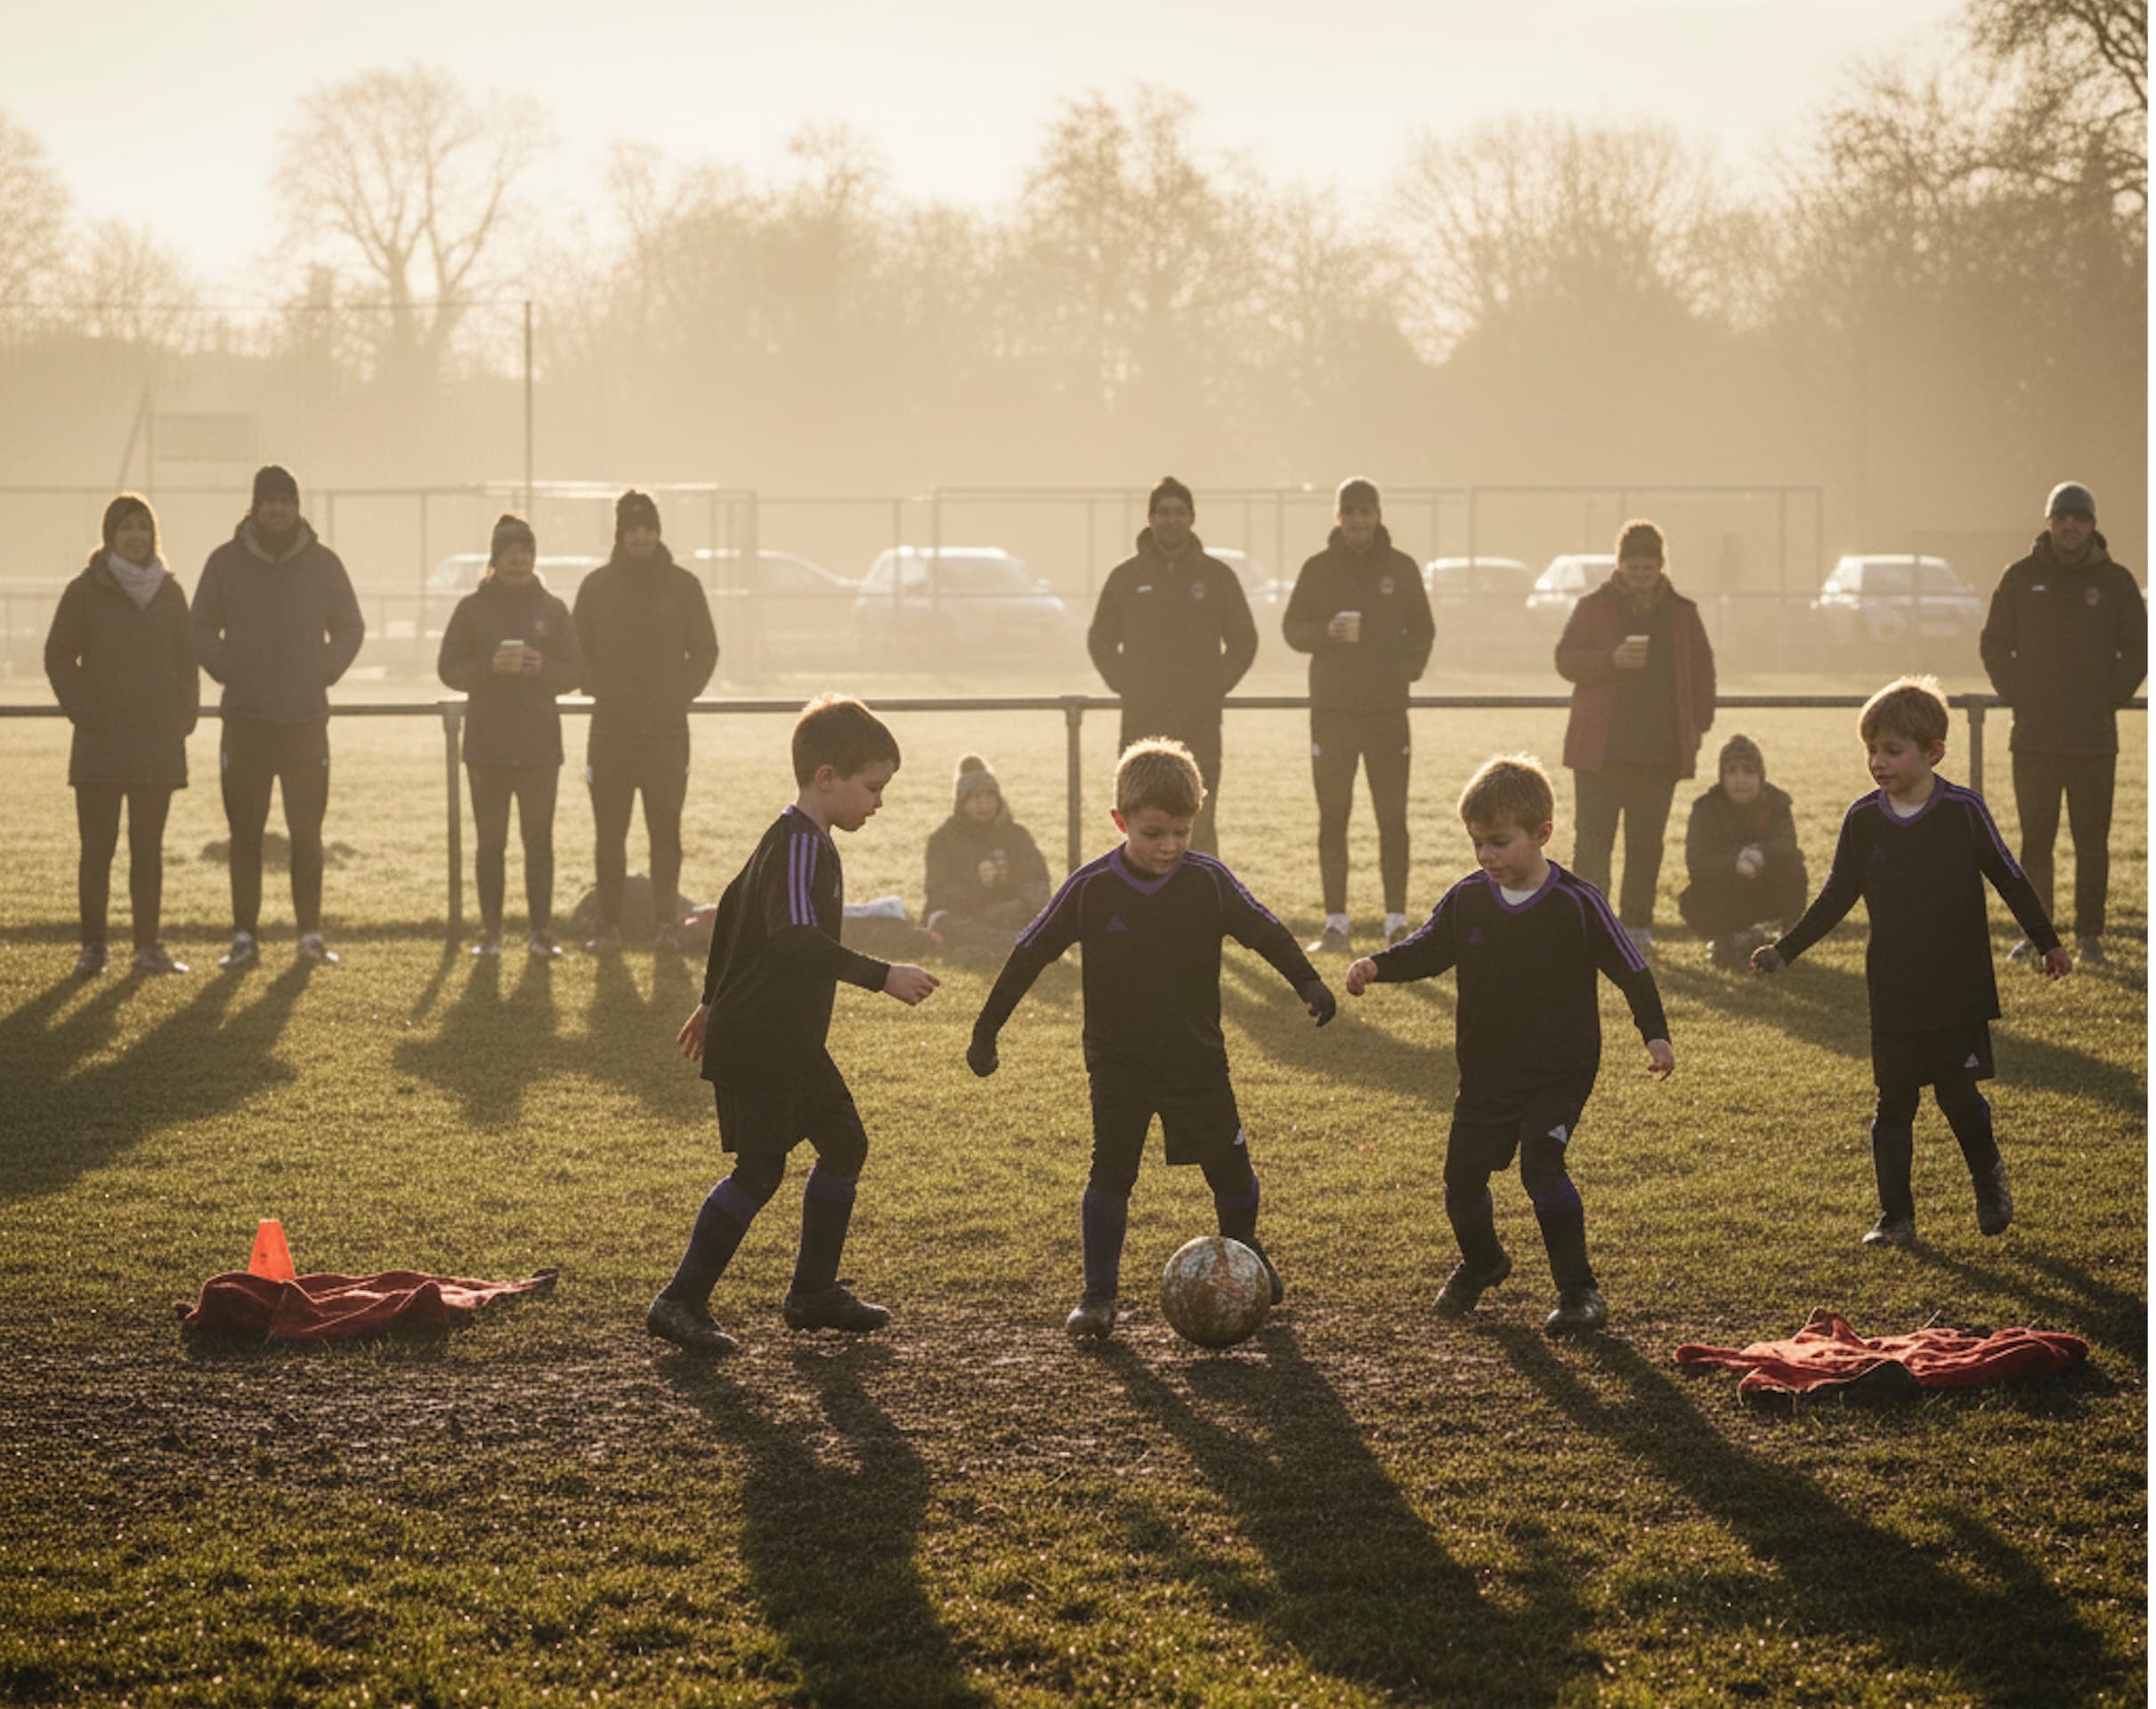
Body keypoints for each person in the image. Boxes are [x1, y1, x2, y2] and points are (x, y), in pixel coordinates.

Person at [966, 738, 1337, 1340]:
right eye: (1153, 832)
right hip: (1119, 1063)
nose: (1168, 846)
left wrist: (1309, 983)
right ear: (1121, 822)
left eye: (1181, 832)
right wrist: (987, 1031)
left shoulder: (1208, 882)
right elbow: (1030, 952)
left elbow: (1264, 930)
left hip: (1197, 1058)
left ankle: (1244, 1254)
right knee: (1111, 1171)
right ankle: (1098, 1296)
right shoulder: (1091, 888)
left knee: (1231, 1169)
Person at [1346, 755, 1674, 1336]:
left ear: (1542, 833)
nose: (1486, 857)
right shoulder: (1468, 899)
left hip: (1560, 1070)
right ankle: (1483, 1263)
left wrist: (1655, 1034)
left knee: (1542, 1169)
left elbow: (1631, 970)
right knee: (1462, 1177)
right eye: (1477, 843)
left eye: (1499, 842)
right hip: (1486, 1072)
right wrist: (1377, 965)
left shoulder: (1577, 902)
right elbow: (1428, 949)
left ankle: (1580, 1294)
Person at [651, 696, 938, 1354]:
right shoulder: (802, 845)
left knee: (845, 1144)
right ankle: (679, 1301)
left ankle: (812, 1292)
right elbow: (793, 939)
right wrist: (881, 975)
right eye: (873, 788)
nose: (879, 803)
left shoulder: (793, 838)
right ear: (828, 778)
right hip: (761, 1040)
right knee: (759, 1172)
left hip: (785, 1039)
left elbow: (730, 905)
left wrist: (708, 998)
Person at [1751, 676, 2070, 1246]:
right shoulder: (1863, 819)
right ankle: (1896, 1218)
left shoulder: (1963, 810)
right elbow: (1835, 896)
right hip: (1894, 988)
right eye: (1871, 749)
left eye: (1892, 750)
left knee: (1956, 1095)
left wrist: (2048, 942)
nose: (1878, 761)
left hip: (1959, 986)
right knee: (1894, 1102)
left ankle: (1988, 1179)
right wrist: (1785, 950)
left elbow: (2010, 878)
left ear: (1933, 752)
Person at [192, 464, 365, 968]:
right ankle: (244, 937)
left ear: (297, 505)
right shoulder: (224, 563)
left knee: (307, 833)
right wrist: (229, 670)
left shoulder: (324, 564)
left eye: (286, 500)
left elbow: (351, 627)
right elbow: (199, 627)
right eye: (269, 500)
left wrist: (322, 673)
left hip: (305, 723)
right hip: (245, 722)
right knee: (244, 833)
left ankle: (309, 935)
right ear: (254, 506)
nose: (278, 509)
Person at [1978, 480, 2147, 967]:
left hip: (2094, 740)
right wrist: (2020, 695)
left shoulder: (2115, 583)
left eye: (2081, 517)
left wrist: (2107, 699)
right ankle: (2037, 934)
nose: (2071, 525)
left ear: (2093, 526)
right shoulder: (2020, 578)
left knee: (2092, 841)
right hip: (2034, 737)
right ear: (2049, 523)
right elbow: (1994, 643)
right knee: (2036, 840)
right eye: (2062, 517)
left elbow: (2138, 649)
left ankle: (2090, 934)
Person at [44, 494, 199, 976]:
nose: (135, 535)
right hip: (101, 743)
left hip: (155, 741)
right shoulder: (85, 590)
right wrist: (86, 712)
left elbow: (187, 662)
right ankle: (94, 949)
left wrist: (184, 718)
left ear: (153, 535)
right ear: (109, 535)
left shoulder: (170, 593)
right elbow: (58, 656)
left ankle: (147, 948)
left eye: (142, 527)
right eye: (125, 527)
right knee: (98, 851)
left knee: (148, 851)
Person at [1283, 476, 1436, 955]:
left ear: (1378, 516)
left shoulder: (1402, 568)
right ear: (1338, 517)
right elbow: (1291, 629)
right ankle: (1336, 924)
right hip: (1332, 713)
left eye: (1366, 512)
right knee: (1334, 816)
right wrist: (1325, 632)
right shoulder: (1318, 568)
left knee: (1392, 817)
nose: (1358, 521)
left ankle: (1396, 921)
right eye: (1350, 512)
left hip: (1388, 712)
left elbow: (1424, 628)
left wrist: (1407, 670)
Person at [1554, 519, 1717, 951]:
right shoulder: (1594, 607)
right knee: (1593, 843)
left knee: (1646, 846)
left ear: (1661, 565)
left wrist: (1697, 729)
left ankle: (1637, 926)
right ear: (1619, 563)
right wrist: (1611, 660)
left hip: (1659, 753)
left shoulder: (1683, 613)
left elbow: (1704, 675)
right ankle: (1590, 925)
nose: (1641, 570)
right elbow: (1566, 660)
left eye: (1649, 563)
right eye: (1633, 562)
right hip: (1600, 751)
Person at [572, 490, 719, 952]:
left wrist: (678, 694)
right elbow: (577, 654)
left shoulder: (683, 586)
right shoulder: (596, 587)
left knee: (665, 833)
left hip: (665, 733)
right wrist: (602, 689)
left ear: (658, 533)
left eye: (649, 529)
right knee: (610, 835)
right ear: (621, 534)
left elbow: (706, 651)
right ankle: (607, 925)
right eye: (633, 530)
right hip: (611, 733)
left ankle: (665, 925)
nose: (641, 538)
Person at [436, 514, 583, 958]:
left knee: (539, 842)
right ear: (494, 559)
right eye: (509, 554)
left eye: (525, 553)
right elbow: (448, 668)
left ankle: (541, 933)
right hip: (487, 747)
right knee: (491, 843)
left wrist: (547, 671)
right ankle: (491, 933)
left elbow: (578, 669)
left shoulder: (553, 609)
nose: (517, 561)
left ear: (534, 558)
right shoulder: (472, 609)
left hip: (539, 747)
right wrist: (487, 668)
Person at [1086, 477, 1258, 855]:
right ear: (1149, 518)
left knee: (1199, 820)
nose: (1172, 520)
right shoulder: (1126, 577)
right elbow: (1099, 639)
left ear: (1192, 518)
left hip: (1200, 723)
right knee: (1140, 820)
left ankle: (1202, 910)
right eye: (1164, 512)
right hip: (1141, 723)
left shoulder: (1216, 577)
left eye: (1180, 512)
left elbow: (1245, 640)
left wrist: (1214, 686)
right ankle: (1142, 908)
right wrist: (1129, 684)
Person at [1677, 733, 1809, 968]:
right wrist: (1734, 863)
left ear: (1761, 775)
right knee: (1691, 898)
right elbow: (1697, 863)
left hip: (1766, 886)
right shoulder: (1705, 808)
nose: (1741, 779)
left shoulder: (1777, 803)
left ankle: (1783, 937)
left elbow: (1787, 845)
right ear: (1722, 776)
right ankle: (1729, 938)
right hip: (1726, 891)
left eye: (1749, 771)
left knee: (1795, 869)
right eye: (1732, 771)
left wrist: (1761, 852)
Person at [923, 754, 1052, 965]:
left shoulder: (1017, 836)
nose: (984, 804)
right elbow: (937, 895)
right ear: (961, 803)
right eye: (975, 798)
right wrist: (977, 884)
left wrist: (1010, 879)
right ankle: (1019, 945)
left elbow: (1040, 887)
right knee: (940, 921)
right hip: (967, 916)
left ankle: (990, 948)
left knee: (1025, 915)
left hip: (1007, 915)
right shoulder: (942, 840)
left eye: (989, 797)